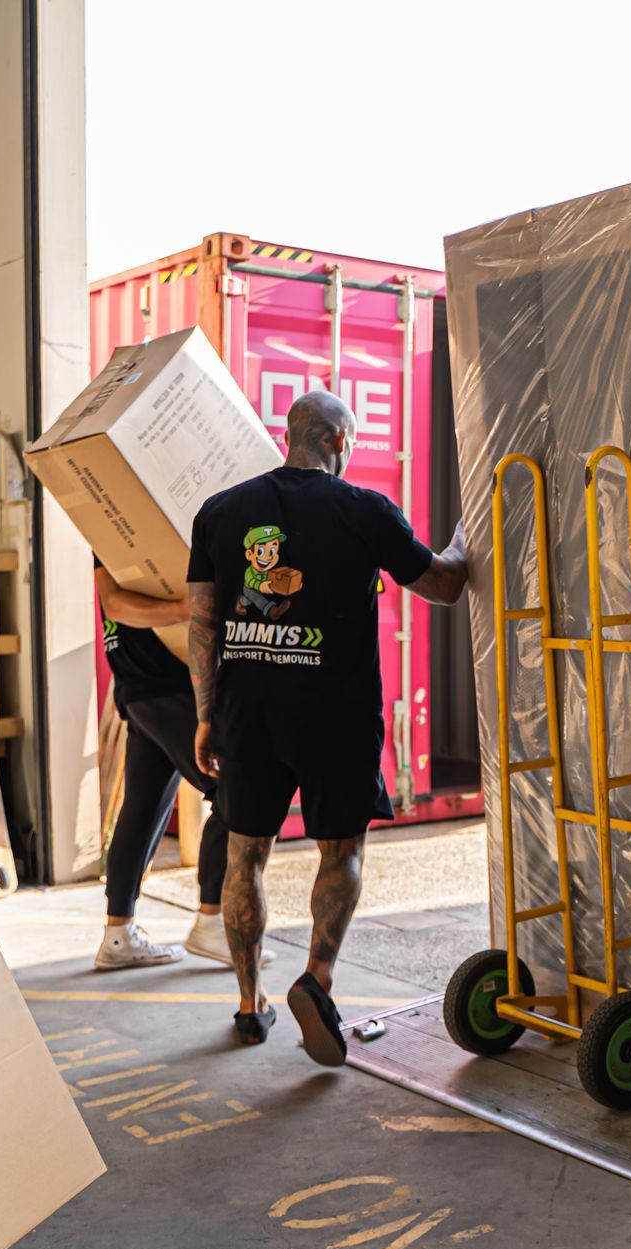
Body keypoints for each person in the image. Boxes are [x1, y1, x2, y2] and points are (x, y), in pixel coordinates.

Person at [186, 390, 469, 1063]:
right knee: (340, 852)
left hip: (246, 714)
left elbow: (200, 620)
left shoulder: (220, 513)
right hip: (334, 717)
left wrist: (205, 715)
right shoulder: (364, 509)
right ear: (338, 440)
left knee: (244, 855)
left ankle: (250, 1006)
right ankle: (316, 980)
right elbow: (443, 585)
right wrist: (464, 538)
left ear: (291, 435)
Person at [92, 561, 272, 972]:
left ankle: (118, 934)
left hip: (141, 687)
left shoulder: (126, 534)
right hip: (168, 685)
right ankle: (212, 921)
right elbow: (116, 606)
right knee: (237, 790)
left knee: (144, 805)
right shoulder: (129, 533)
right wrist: (187, 609)